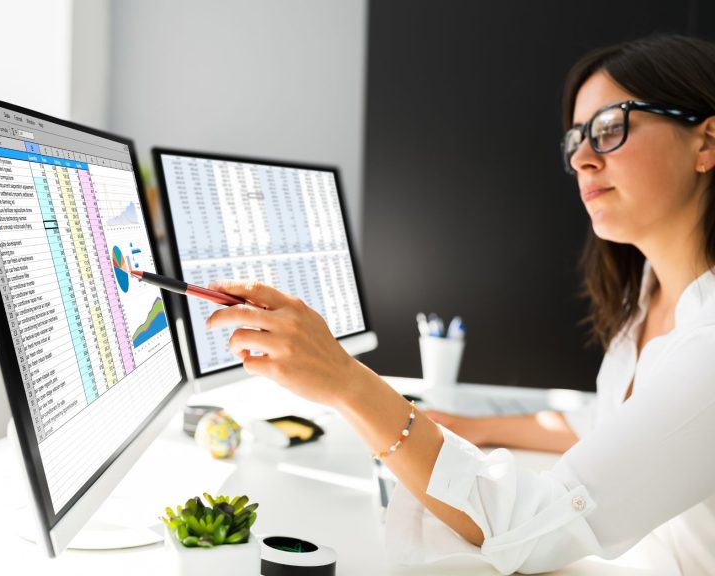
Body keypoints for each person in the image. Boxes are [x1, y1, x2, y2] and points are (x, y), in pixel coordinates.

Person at [205, 34, 715, 575]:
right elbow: (609, 419)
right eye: (576, 138)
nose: (583, 158)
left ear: (706, 142)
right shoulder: (648, 296)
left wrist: (345, 381)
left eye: (611, 128)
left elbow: (528, 532)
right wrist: (475, 426)